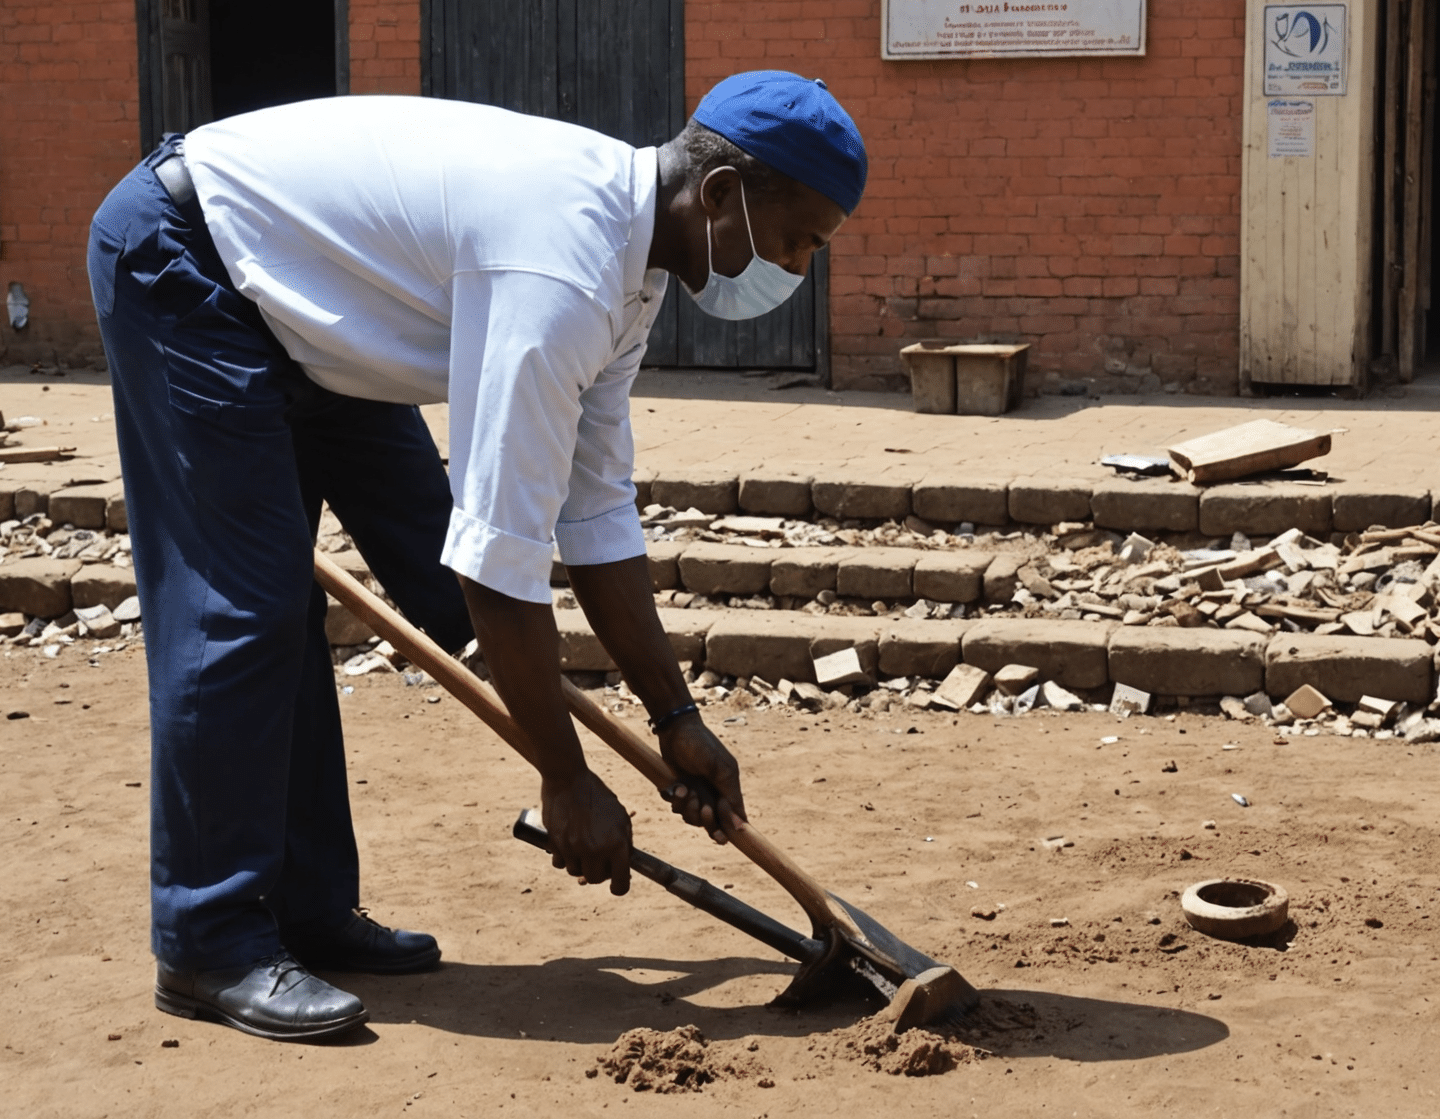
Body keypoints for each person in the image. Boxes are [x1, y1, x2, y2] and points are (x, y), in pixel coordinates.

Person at [86, 71, 866, 1041]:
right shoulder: (562, 275)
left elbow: (595, 516)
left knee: (436, 591)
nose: (796, 267)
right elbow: (497, 563)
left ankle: (306, 910)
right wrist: (566, 778)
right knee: (246, 609)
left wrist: (677, 720)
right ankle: (208, 940)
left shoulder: (631, 276)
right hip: (193, 260)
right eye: (800, 240)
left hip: (318, 305)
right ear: (719, 196)